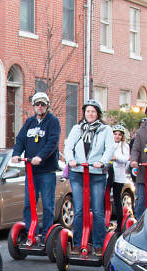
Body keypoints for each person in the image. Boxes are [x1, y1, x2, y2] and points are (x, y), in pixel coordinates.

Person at [63, 99, 115, 256]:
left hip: (96, 173)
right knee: (78, 209)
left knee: (98, 210)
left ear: (97, 114)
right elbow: (68, 146)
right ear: (84, 113)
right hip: (78, 172)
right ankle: (78, 243)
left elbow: (109, 148)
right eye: (87, 111)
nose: (90, 114)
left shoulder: (105, 130)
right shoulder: (77, 129)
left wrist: (102, 162)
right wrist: (70, 160)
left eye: (93, 111)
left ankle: (99, 244)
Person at [10, 91, 61, 240]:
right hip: (31, 171)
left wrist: (40, 156)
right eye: (37, 104)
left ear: (47, 106)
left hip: (46, 171)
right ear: (33, 106)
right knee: (28, 204)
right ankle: (30, 233)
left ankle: (46, 235)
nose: (40, 107)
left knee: (47, 204)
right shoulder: (29, 122)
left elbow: (53, 142)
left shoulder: (53, 121)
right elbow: (20, 139)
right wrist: (16, 154)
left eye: (42, 104)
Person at [110, 125, 130, 233]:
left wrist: (116, 157)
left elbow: (125, 158)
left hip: (118, 176)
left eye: (119, 134)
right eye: (115, 134)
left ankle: (119, 225)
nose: (117, 136)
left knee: (117, 199)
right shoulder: (108, 144)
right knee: (105, 199)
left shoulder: (124, 146)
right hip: (108, 175)